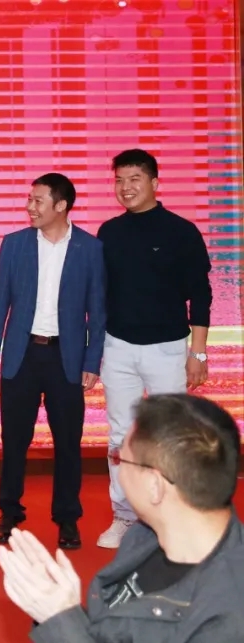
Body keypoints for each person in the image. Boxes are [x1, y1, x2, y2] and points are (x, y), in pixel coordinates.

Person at [0, 393, 244, 643]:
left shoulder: (226, 617)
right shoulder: (147, 538)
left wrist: (61, 618)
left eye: (121, 459)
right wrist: (57, 608)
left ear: (155, 486)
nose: (118, 471)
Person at [96, 149, 213, 549]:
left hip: (168, 349)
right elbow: (100, 294)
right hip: (118, 347)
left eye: (135, 179)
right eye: (119, 180)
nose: (125, 187)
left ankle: (170, 517)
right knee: (120, 435)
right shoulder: (109, 232)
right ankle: (124, 516)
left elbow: (201, 295)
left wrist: (198, 353)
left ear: (155, 183)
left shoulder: (182, 232)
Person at [0, 173, 106, 549]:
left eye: (38, 201)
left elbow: (97, 311)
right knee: (14, 440)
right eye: (29, 199)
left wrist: (92, 361)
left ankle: (67, 518)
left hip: (66, 358)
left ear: (61, 205)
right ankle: (9, 512)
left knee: (68, 442)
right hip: (21, 356)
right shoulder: (15, 244)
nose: (30, 207)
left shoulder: (90, 248)